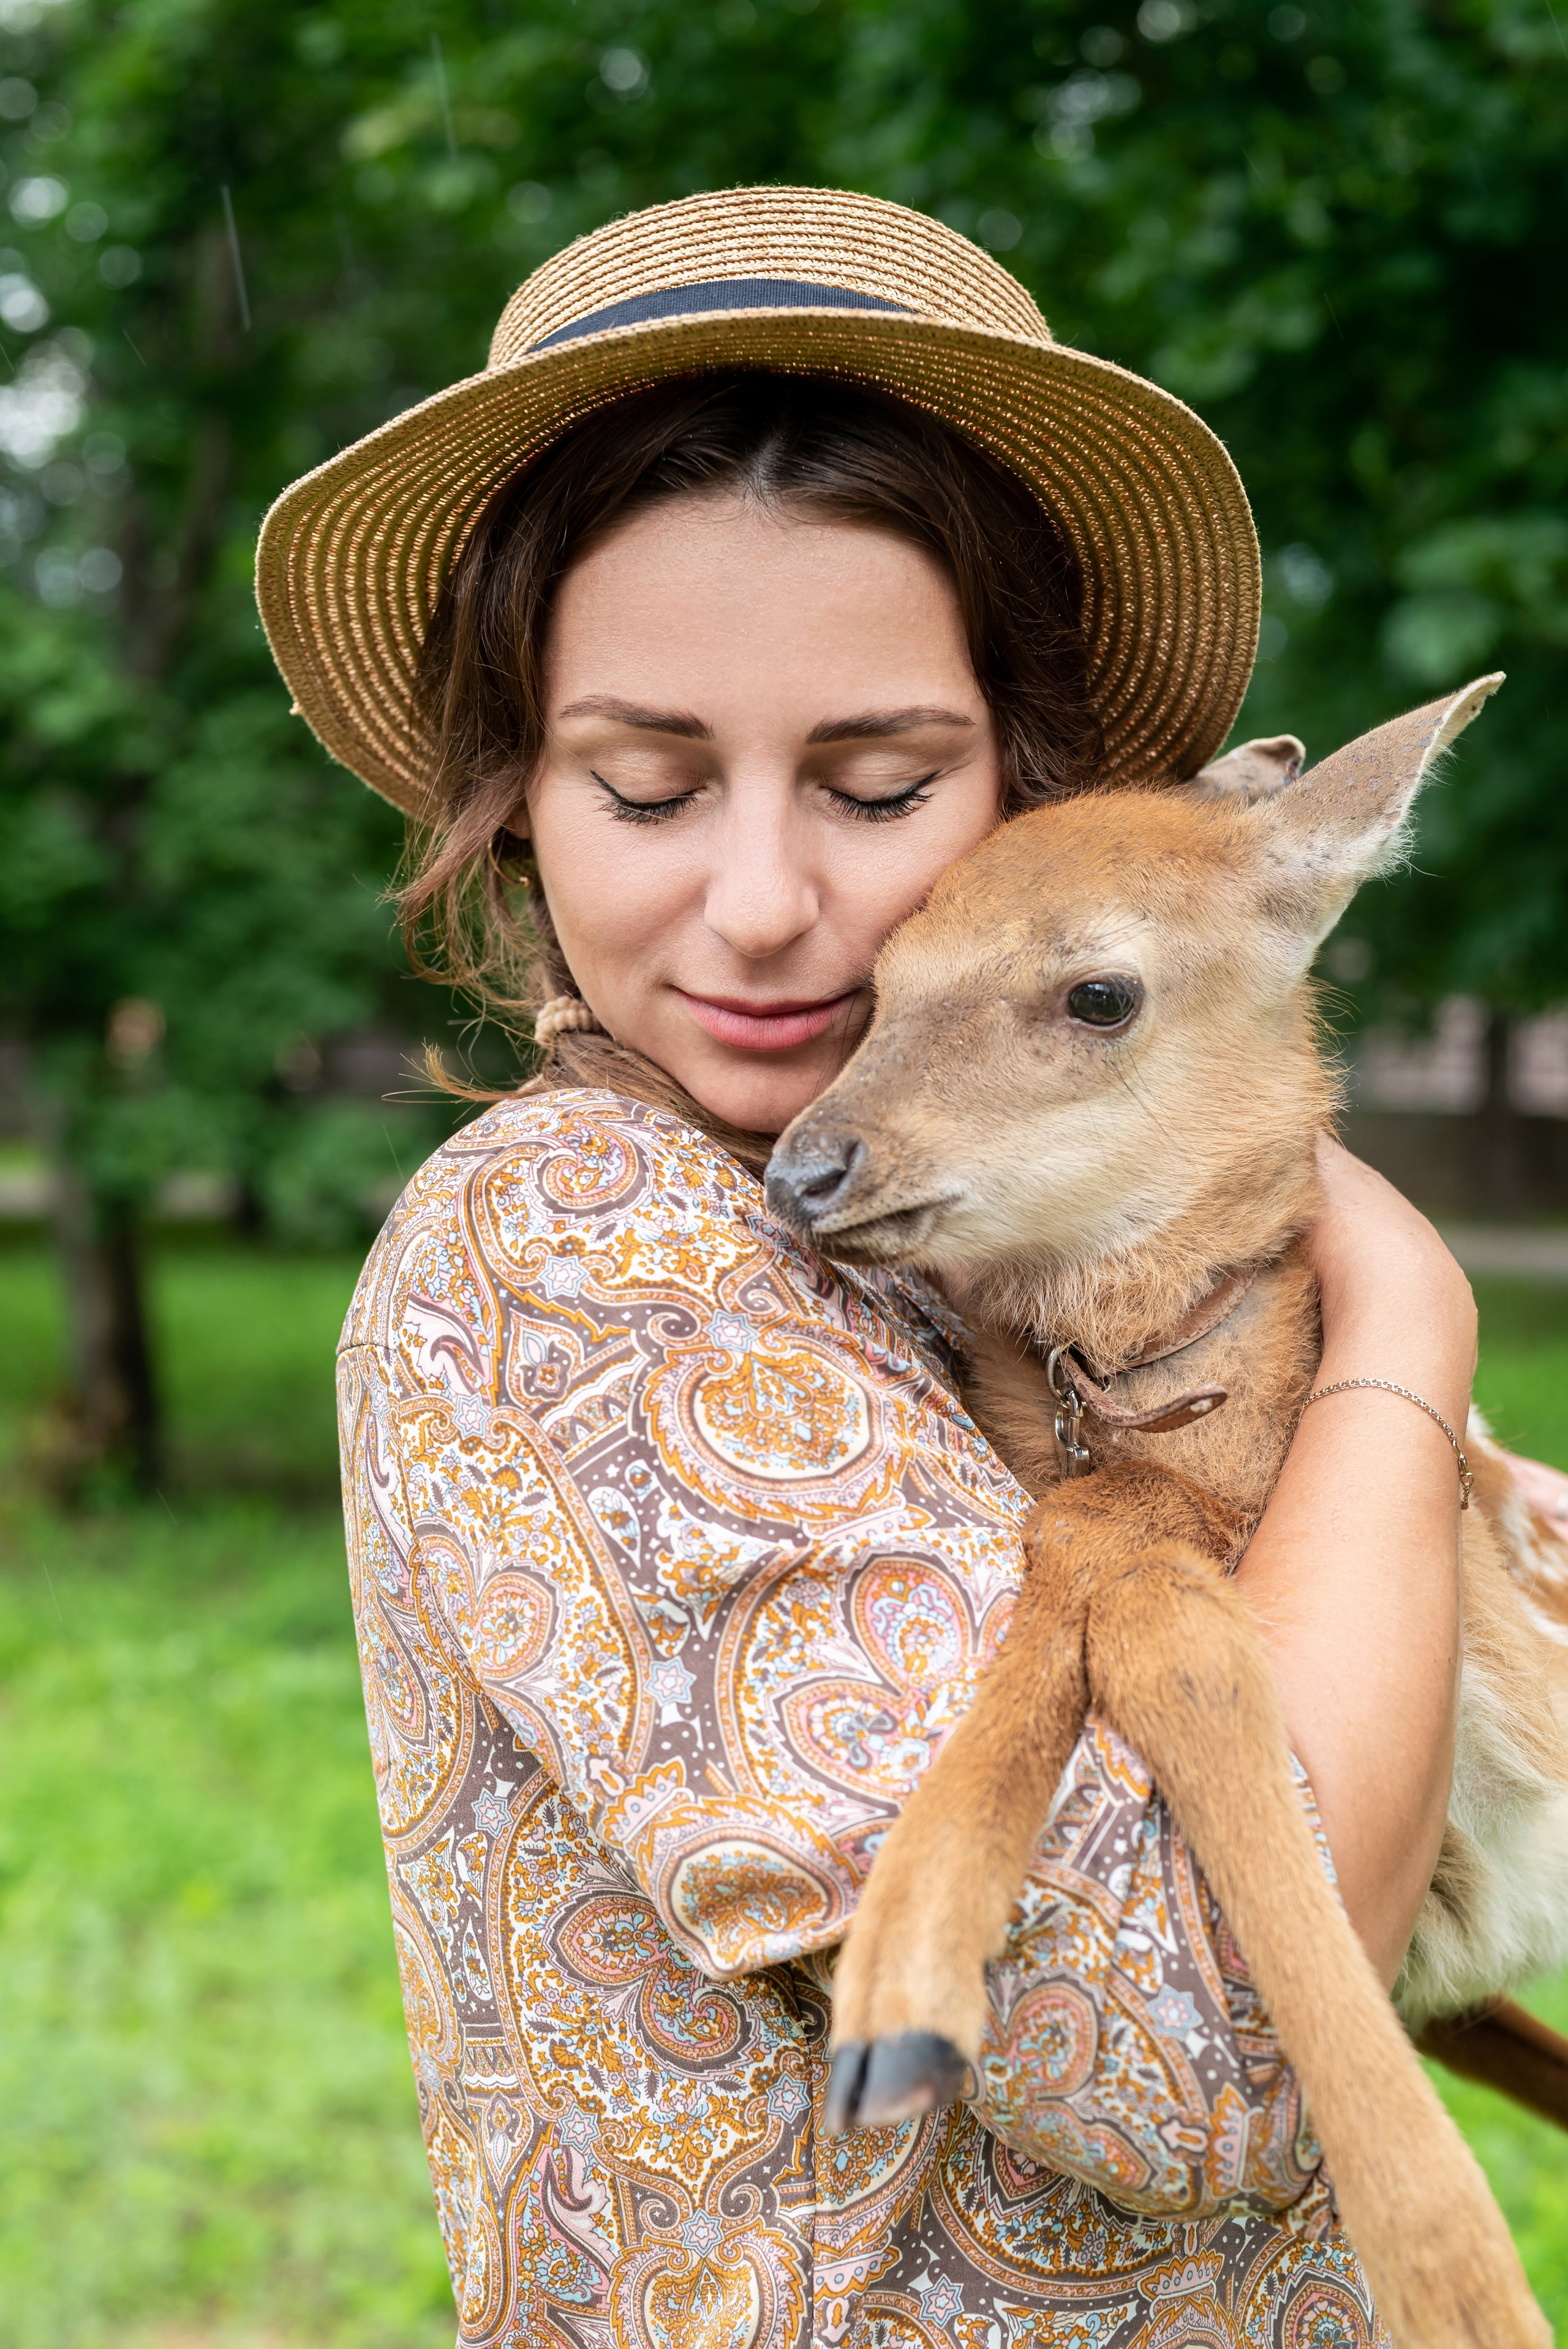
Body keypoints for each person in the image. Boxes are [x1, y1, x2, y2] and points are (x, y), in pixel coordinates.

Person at [257, 187, 1558, 2348]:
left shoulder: (963, 1241)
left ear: (1026, 792)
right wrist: (1408, 1336)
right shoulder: (570, 1244)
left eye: (876, 784)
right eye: (647, 784)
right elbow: (1206, 2052)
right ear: (520, 799)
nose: (764, 904)